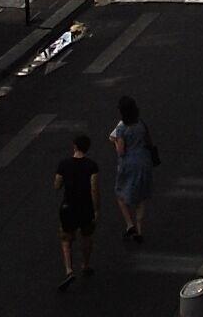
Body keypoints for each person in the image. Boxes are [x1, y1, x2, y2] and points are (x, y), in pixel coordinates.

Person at [110, 93, 158, 244]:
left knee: (120, 193)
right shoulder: (141, 124)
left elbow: (121, 151)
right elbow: (149, 141)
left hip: (128, 163)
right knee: (142, 196)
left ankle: (129, 224)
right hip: (144, 161)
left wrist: (114, 142)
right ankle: (139, 228)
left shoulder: (122, 128)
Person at [54, 130, 99, 288]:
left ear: (74, 146)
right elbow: (94, 189)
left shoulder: (64, 164)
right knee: (86, 236)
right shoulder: (91, 166)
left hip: (68, 206)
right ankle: (85, 265)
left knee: (66, 238)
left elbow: (57, 185)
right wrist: (96, 209)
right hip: (85, 206)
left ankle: (68, 269)